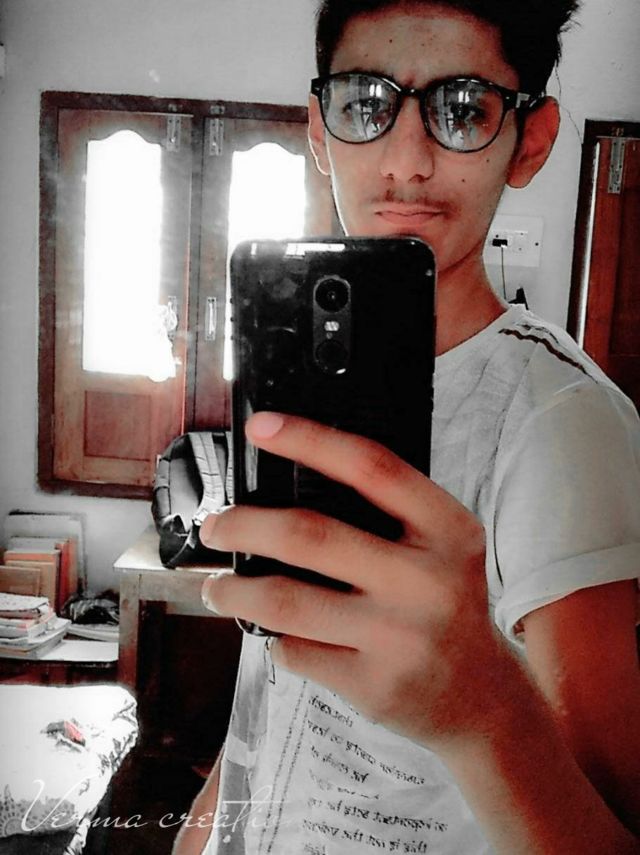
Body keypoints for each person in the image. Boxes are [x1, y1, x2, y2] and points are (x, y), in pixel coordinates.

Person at [174, 1, 640, 852]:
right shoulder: (295, 374)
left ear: (529, 141)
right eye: (365, 104)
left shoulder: (562, 422)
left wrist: (481, 711)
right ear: (319, 129)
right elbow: (273, 695)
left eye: (463, 110)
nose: (407, 160)